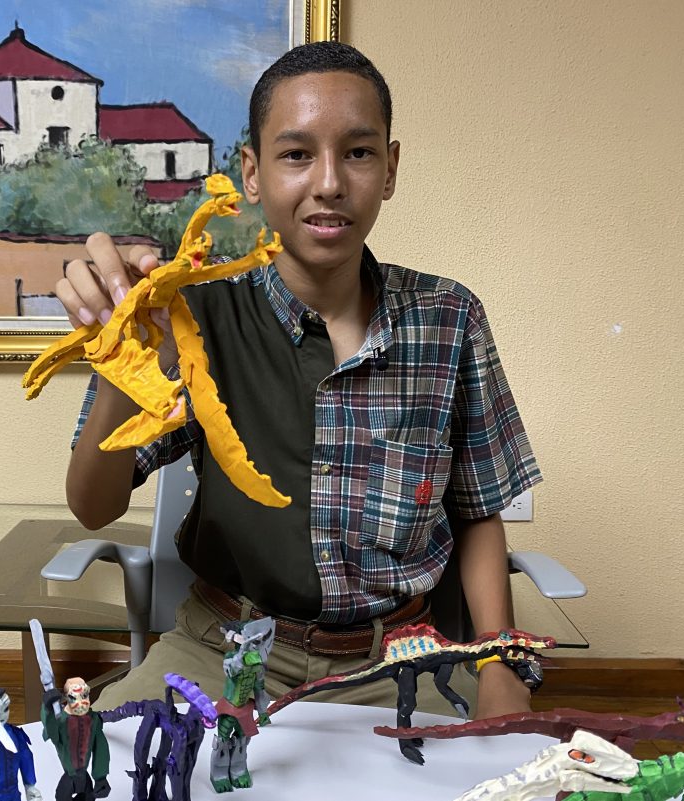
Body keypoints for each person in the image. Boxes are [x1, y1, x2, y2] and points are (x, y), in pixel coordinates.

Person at [56, 41, 541, 720]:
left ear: (391, 168)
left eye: (358, 152)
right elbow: (92, 506)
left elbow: (477, 509)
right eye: (296, 154)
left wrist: (499, 659)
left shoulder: (448, 318)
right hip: (220, 651)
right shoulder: (192, 314)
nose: (329, 182)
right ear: (252, 173)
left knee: (502, 771)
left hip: (400, 662)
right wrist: (118, 370)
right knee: (105, 760)